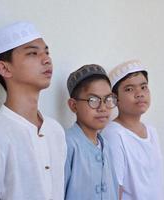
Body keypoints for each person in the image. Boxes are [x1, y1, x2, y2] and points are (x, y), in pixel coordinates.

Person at [0, 21, 66, 200]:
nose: (47, 59)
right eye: (32, 53)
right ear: (5, 68)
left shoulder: (55, 130)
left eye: (47, 52)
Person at [101, 60, 164, 200]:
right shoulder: (114, 134)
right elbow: (115, 189)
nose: (139, 94)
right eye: (129, 89)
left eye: (144, 87)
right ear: (115, 99)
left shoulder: (151, 131)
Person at [64, 64, 119, 200]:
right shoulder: (67, 144)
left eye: (107, 99)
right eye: (93, 100)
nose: (103, 108)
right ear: (73, 105)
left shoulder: (106, 145)